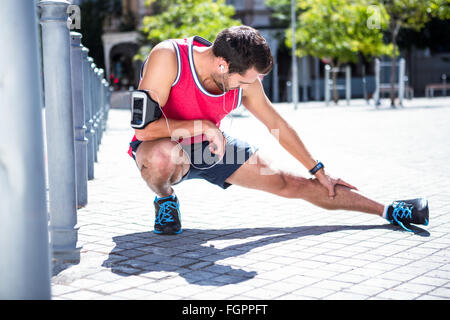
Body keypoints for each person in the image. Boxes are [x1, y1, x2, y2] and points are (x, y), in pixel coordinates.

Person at [128, 25, 429, 235]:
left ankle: (388, 210)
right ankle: (165, 199)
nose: (248, 87)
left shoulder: (243, 78)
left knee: (288, 182)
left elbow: (277, 125)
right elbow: (142, 131)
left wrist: (318, 168)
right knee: (164, 159)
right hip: (162, 144)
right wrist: (202, 126)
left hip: (212, 147)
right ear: (221, 65)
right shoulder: (168, 58)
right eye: (245, 81)